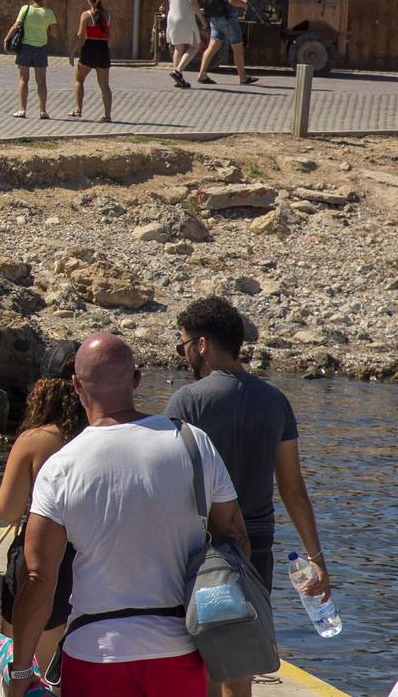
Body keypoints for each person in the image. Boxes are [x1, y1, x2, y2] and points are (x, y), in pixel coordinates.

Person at [3, 334, 246, 697]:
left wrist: (21, 668)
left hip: (94, 651)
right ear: (136, 379)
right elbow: (234, 536)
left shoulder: (61, 468)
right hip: (178, 646)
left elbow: (38, 578)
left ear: (76, 385)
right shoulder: (193, 443)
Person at [166, 297, 330, 697]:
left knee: (197, 660)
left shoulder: (187, 402)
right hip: (256, 551)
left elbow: (165, 479)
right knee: (239, 665)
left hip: (198, 550)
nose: (183, 352)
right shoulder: (275, 401)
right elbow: (292, 487)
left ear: (202, 344)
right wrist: (316, 559)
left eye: (182, 343)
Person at [0, 372, 86, 683]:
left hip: (36, 552)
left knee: (26, 670)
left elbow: (7, 510)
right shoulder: (93, 438)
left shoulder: (34, 440)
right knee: (62, 671)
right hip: (85, 557)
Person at [196, 0, 256, 86]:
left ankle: (202, 74)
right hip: (229, 19)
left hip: (216, 18)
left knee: (212, 46)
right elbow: (232, 0)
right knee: (238, 48)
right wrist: (244, 4)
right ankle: (243, 78)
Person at [9, 0, 58, 119]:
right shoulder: (49, 13)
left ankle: (22, 110)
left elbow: (16, 25)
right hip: (40, 49)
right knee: (41, 81)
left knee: (23, 79)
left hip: (25, 47)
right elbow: (55, 33)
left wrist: (7, 39)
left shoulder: (25, 9)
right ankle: (43, 111)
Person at [69, 0, 115, 121]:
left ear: (90, 0)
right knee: (104, 85)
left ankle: (78, 109)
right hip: (103, 49)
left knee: (79, 79)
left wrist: (73, 52)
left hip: (90, 47)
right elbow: (110, 34)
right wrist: (108, 47)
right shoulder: (108, 14)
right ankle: (107, 115)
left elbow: (79, 35)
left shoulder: (86, 15)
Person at [166, 0, 204, 89]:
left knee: (179, 47)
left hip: (173, 17)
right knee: (194, 46)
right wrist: (202, 19)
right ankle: (177, 71)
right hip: (185, 18)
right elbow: (193, 1)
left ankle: (178, 78)